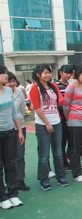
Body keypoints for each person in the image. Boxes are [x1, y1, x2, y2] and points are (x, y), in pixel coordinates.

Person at [30, 64, 68, 191]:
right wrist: (47, 123)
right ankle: (44, 180)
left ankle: (61, 176)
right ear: (38, 74)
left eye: (49, 73)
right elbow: (37, 107)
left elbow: (60, 101)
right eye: (45, 73)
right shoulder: (35, 88)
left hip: (56, 122)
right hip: (43, 125)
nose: (48, 75)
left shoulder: (53, 87)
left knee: (58, 152)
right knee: (44, 154)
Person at [0, 65, 25, 210]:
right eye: (3, 73)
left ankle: (13, 193)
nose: (6, 76)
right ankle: (2, 197)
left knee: (11, 163)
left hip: (10, 132)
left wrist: (20, 131)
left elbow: (14, 112)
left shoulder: (9, 90)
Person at [6, 72, 30, 191]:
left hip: (19, 127)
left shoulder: (19, 92)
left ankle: (20, 180)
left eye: (13, 81)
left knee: (20, 155)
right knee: (8, 157)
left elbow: (21, 109)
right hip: (6, 128)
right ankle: (9, 181)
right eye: (9, 81)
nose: (12, 83)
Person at [54, 65, 74, 171]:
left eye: (70, 73)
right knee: (62, 139)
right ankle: (63, 162)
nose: (68, 75)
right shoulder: (55, 85)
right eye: (66, 73)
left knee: (72, 139)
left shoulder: (71, 85)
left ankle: (70, 159)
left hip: (72, 115)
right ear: (61, 73)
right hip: (60, 115)